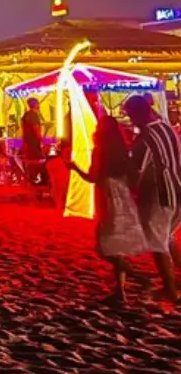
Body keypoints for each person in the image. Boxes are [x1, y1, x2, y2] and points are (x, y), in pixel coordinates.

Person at [70, 114, 151, 307]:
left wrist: (75, 168)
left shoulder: (100, 151)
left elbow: (92, 177)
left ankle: (138, 277)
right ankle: (120, 291)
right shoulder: (122, 151)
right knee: (117, 246)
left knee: (104, 247)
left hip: (107, 197)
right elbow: (133, 176)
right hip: (123, 197)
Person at [122, 94, 180, 303]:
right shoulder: (167, 128)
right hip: (177, 189)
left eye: (131, 116)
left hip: (160, 194)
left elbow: (135, 170)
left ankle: (170, 290)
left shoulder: (146, 138)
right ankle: (173, 285)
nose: (131, 121)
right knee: (167, 238)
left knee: (157, 242)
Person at [21, 97, 47, 186]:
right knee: (39, 161)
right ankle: (38, 180)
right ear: (35, 104)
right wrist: (42, 140)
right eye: (38, 103)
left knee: (31, 161)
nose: (39, 105)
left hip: (27, 142)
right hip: (33, 142)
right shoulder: (33, 115)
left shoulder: (26, 114)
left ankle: (31, 178)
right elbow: (36, 129)